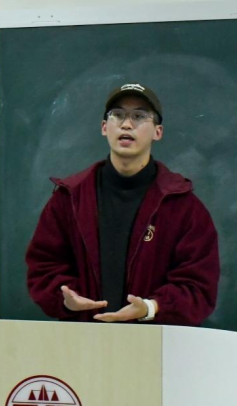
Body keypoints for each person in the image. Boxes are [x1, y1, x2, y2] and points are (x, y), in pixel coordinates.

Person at [25, 82, 220, 325]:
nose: (126, 124)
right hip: (83, 339)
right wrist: (65, 299)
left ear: (158, 132)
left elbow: (199, 287)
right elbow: (44, 267)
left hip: (157, 342)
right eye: (117, 115)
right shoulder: (69, 199)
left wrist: (150, 307)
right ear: (104, 127)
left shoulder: (183, 207)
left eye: (139, 116)